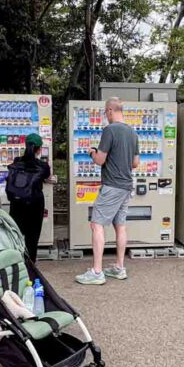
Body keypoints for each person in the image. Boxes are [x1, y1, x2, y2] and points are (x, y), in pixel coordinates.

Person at [76, 97, 139, 285]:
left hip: (112, 185)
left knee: (96, 225)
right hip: (127, 185)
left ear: (110, 110)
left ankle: (96, 271)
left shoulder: (109, 130)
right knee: (120, 226)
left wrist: (91, 152)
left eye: (105, 112)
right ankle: (120, 267)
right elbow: (135, 163)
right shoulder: (132, 133)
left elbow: (100, 160)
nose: (105, 115)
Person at [6, 134, 52, 262]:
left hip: (16, 202)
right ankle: (31, 263)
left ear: (25, 146)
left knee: (16, 234)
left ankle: (16, 261)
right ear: (39, 149)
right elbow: (47, 176)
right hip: (35, 204)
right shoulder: (43, 166)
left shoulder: (16, 162)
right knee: (32, 237)